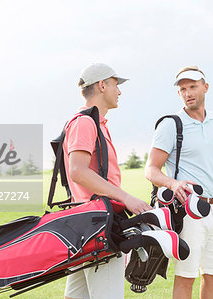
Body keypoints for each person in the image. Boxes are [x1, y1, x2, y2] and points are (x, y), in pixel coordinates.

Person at [145, 66, 213, 299]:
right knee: (186, 277)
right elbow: (151, 169)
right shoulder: (171, 124)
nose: (188, 93)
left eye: (192, 87)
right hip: (187, 211)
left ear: (205, 87)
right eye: (182, 89)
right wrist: (172, 184)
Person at [63, 63, 152, 299]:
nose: (119, 91)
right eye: (115, 85)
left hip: (85, 226)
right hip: (98, 227)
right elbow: (78, 171)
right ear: (102, 85)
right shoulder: (85, 122)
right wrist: (126, 198)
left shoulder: (94, 122)